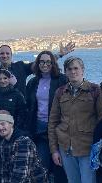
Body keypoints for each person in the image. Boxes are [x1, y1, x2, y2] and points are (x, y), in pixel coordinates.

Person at [48, 56, 102, 183]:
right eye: (69, 69)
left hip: (87, 148)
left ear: (82, 70)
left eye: (76, 68)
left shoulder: (95, 90)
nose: (73, 72)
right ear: (65, 72)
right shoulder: (60, 92)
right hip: (66, 148)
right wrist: (54, 150)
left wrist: (100, 146)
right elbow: (53, 122)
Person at [0, 42, 75, 104]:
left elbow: (40, 63)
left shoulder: (21, 67)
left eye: (7, 53)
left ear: (11, 55)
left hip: (18, 116)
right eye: (2, 53)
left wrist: (59, 54)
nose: (5, 56)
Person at [26, 50, 68, 183]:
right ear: (37, 64)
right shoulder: (33, 82)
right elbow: (28, 106)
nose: (45, 64)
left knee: (60, 167)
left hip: (58, 129)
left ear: (53, 63)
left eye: (48, 62)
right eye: (42, 61)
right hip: (39, 129)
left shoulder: (62, 80)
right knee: (42, 166)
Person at [0, 69, 28, 182]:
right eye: (0, 79)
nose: (2, 81)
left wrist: (13, 131)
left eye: (5, 78)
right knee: (0, 164)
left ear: (10, 79)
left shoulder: (17, 95)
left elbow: (23, 114)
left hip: (13, 137)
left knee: (14, 163)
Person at [0, 110, 48, 183]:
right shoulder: (3, 144)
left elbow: (20, 174)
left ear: (11, 123)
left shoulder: (23, 141)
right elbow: (4, 170)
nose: (0, 128)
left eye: (3, 124)